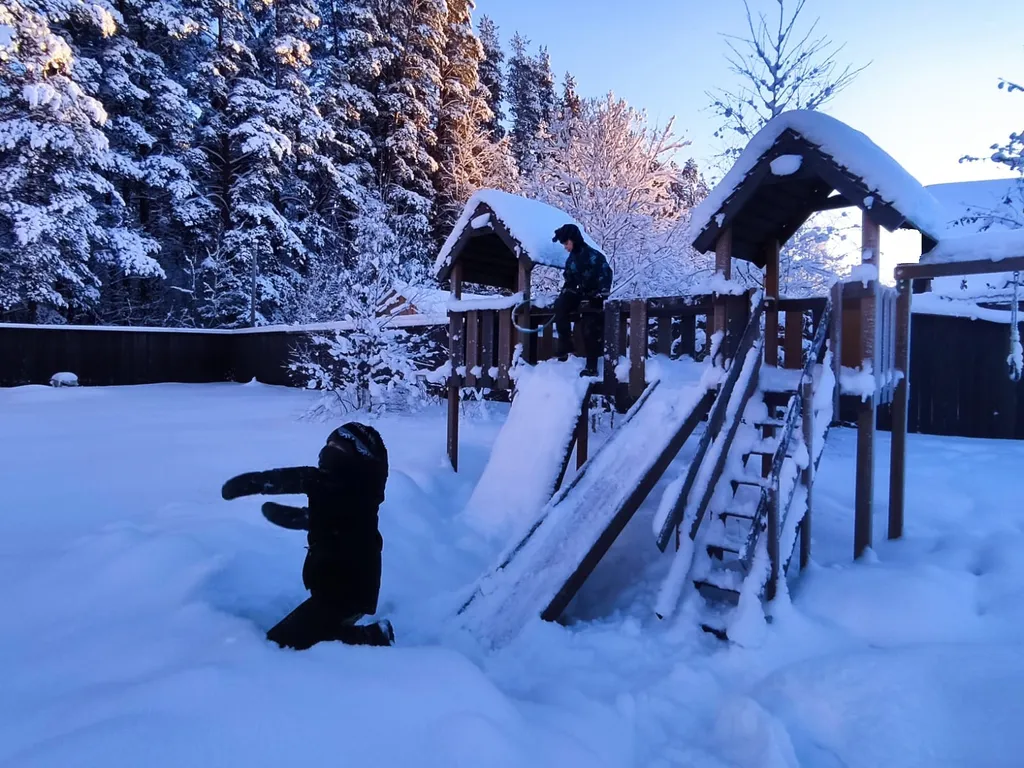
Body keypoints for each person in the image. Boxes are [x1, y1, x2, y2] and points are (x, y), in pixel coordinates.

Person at [220, 423, 394, 650]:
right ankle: (365, 634)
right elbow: (336, 517)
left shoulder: (333, 485)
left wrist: (252, 483)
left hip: (344, 593)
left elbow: (285, 479)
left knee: (280, 646)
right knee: (309, 634)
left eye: (336, 448)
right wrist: (302, 518)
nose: (327, 451)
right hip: (344, 589)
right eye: (327, 444)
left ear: (356, 457)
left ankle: (374, 637)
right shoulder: (358, 493)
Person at [552, 223, 613, 376]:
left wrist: (600, 294)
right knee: (560, 305)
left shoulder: (594, 256)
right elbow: (569, 280)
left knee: (589, 326)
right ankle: (565, 344)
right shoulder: (571, 261)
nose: (565, 247)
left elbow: (606, 274)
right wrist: (567, 293)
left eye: (566, 243)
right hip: (579, 295)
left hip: (594, 297)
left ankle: (592, 367)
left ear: (573, 240)